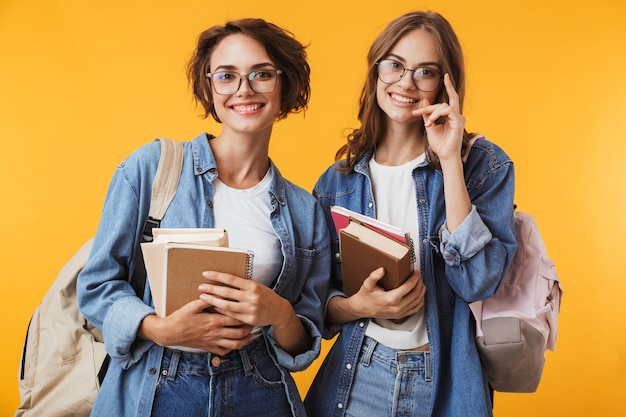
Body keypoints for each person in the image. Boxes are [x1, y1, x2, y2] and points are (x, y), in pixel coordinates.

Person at [77, 18, 330, 417]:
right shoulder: (152, 168)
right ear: (209, 88)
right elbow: (96, 285)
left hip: (258, 388)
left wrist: (279, 313)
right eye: (227, 76)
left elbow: (303, 337)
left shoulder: (305, 210)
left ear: (285, 84)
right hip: (158, 385)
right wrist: (158, 329)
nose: (244, 89)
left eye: (261, 74)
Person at [304, 10, 517, 417]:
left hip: (443, 383)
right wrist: (363, 306)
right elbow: (315, 303)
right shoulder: (337, 183)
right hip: (359, 373)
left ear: (445, 84)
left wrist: (450, 158)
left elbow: (478, 282)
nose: (406, 83)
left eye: (426, 71)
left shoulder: (484, 166)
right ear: (376, 70)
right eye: (395, 65)